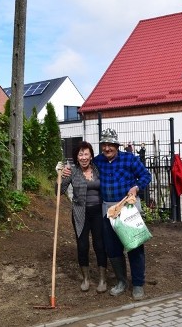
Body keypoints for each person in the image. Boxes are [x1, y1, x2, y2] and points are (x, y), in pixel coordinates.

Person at [68, 128, 151, 300]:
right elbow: (83, 166)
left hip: (127, 208)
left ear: (116, 145)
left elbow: (145, 175)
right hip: (107, 211)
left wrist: (136, 187)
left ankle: (137, 284)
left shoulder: (129, 159)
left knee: (134, 246)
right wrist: (67, 171)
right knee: (112, 249)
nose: (107, 148)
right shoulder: (98, 161)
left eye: (110, 145)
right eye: (104, 145)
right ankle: (121, 281)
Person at [58, 142, 108, 293]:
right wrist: (60, 175)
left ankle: (102, 279)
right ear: (76, 157)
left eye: (86, 154)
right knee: (82, 245)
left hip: (99, 212)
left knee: (100, 245)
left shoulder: (99, 169)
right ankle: (85, 278)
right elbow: (59, 191)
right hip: (80, 213)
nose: (84, 157)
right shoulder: (72, 172)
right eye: (80, 154)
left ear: (91, 155)